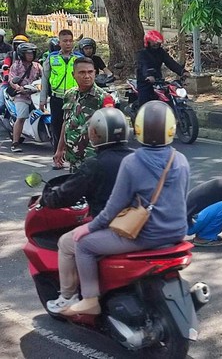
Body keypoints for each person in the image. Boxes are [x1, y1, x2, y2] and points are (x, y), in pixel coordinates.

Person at [60, 100, 190, 316]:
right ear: (171, 129)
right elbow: (181, 197)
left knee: (83, 245)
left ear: (137, 129)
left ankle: (90, 300)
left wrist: (89, 228)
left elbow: (114, 206)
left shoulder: (133, 162)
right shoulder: (181, 160)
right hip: (177, 232)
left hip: (146, 236)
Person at [43, 107, 133, 313]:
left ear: (96, 134)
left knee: (67, 243)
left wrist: (48, 198)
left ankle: (68, 297)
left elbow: (66, 194)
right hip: (142, 223)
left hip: (116, 228)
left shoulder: (95, 165)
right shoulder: (138, 158)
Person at [53, 56, 115, 172]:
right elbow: (66, 122)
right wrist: (60, 149)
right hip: (73, 158)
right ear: (73, 75)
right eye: (82, 72)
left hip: (93, 160)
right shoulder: (69, 95)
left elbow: (111, 132)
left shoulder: (104, 98)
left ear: (95, 73)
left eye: (90, 72)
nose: (87, 76)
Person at [41, 29, 82, 165]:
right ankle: (57, 158)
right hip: (57, 98)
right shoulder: (51, 57)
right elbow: (45, 79)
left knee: (75, 127)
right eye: (65, 41)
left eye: (70, 41)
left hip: (75, 98)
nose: (68, 43)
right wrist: (42, 99)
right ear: (59, 43)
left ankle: (74, 157)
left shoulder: (78, 58)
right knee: (57, 127)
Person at [136, 30, 188, 108]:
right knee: (144, 104)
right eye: (154, 42)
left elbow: (170, 62)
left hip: (158, 80)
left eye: (158, 42)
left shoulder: (161, 52)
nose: (156, 44)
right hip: (145, 82)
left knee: (168, 96)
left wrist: (182, 71)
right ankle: (141, 117)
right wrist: (148, 75)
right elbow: (143, 65)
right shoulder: (142, 54)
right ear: (148, 42)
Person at [7, 43, 43, 152]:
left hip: (36, 93)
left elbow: (44, 77)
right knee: (21, 117)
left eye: (32, 53)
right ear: (22, 54)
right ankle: (15, 143)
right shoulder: (16, 65)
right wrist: (19, 88)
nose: (30, 55)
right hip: (21, 96)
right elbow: (11, 80)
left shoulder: (37, 66)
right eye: (28, 53)